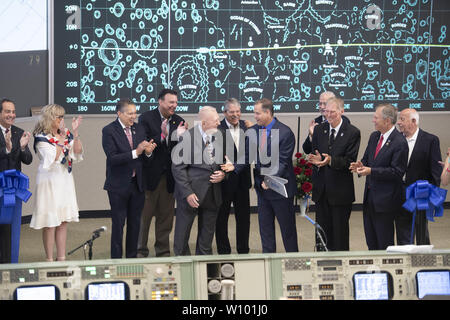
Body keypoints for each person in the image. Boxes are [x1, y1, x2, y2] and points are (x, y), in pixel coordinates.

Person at [172, 106, 233, 256]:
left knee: (207, 237)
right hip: (191, 194)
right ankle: (183, 267)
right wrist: (187, 193)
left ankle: (204, 267)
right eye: (216, 121)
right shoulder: (187, 138)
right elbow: (177, 168)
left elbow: (227, 163)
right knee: (182, 236)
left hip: (213, 193)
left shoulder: (222, 135)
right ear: (204, 123)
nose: (219, 123)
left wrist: (224, 174)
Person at [102, 98, 156, 259]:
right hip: (118, 185)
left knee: (135, 224)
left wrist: (148, 152)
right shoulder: (109, 130)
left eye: (135, 113)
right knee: (118, 225)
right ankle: (116, 260)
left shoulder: (139, 129)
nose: (134, 116)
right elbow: (112, 158)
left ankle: (132, 257)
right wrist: (136, 152)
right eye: (130, 113)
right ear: (119, 113)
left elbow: (146, 160)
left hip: (137, 184)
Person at [350, 104, 408, 250]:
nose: (373, 120)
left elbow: (397, 172)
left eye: (376, 117)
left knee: (384, 243)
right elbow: (367, 160)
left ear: (387, 121)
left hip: (386, 203)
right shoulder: (374, 136)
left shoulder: (399, 142)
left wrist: (371, 171)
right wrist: (359, 165)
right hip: (370, 200)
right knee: (371, 242)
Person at [137, 89, 187, 257]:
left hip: (170, 178)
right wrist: (172, 136)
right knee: (144, 217)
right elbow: (146, 142)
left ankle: (163, 251)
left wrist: (182, 138)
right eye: (170, 102)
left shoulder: (179, 121)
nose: (174, 105)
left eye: (176, 102)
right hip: (149, 177)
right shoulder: (146, 118)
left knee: (165, 218)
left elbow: (181, 150)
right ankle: (140, 251)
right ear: (160, 101)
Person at [30, 104, 83, 262]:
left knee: (62, 220)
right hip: (48, 181)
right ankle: (49, 259)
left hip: (64, 180)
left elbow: (77, 152)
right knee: (50, 222)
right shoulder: (41, 137)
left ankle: (61, 257)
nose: (62, 120)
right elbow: (52, 158)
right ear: (50, 118)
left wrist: (75, 133)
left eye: (62, 116)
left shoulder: (66, 134)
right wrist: (61, 140)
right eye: (59, 116)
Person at [308, 97, 361, 251]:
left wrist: (330, 160)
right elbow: (316, 153)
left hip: (340, 194)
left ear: (342, 111)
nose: (328, 115)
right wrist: (316, 159)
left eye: (332, 112)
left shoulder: (352, 132)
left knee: (340, 236)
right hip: (322, 193)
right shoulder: (319, 130)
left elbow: (349, 161)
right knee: (322, 236)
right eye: (326, 111)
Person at [247, 98, 298, 253]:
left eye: (257, 113)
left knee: (287, 231)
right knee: (265, 230)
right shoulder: (254, 130)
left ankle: (293, 261)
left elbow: (282, 162)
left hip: (280, 189)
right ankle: (268, 261)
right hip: (262, 190)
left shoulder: (285, 133)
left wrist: (269, 179)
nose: (255, 116)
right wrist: (233, 166)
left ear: (268, 112)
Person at [395, 108, 442, 245]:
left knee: (421, 234)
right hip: (399, 194)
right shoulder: (396, 139)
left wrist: (430, 196)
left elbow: (435, 171)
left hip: (420, 195)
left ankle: (424, 263)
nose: (398, 122)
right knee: (403, 234)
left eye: (402, 119)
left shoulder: (430, 140)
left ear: (414, 121)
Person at [215, 98, 252, 254]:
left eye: (238, 111)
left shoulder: (247, 127)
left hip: (243, 181)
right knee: (221, 219)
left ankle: (243, 249)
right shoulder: (216, 129)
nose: (235, 115)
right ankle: (224, 250)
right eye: (232, 112)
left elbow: (252, 151)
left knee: (244, 218)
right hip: (224, 182)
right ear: (224, 113)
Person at [0, 98, 33, 263]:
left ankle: (9, 265)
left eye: (13, 112)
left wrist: (21, 147)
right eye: (7, 111)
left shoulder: (19, 132)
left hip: (13, 191)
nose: (11, 115)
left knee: (11, 230)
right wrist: (6, 148)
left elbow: (28, 159)